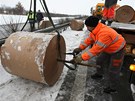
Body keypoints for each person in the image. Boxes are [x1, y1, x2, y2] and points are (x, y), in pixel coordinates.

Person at [70, 16, 126, 94]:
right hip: (107, 48)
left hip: (117, 50)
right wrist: (80, 48)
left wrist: (81, 58)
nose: (86, 28)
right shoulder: (95, 30)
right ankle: (99, 74)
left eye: (87, 26)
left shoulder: (104, 33)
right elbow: (89, 40)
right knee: (99, 60)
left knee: (113, 70)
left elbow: (95, 50)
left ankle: (113, 88)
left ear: (91, 26)